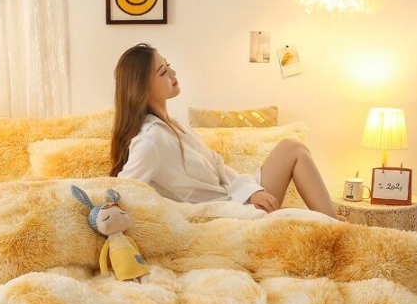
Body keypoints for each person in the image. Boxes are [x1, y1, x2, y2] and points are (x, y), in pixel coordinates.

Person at [110, 43, 345, 221]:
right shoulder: (151, 139)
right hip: (227, 213)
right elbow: (124, 192)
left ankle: (332, 222)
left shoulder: (175, 125)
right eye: (163, 72)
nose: (173, 73)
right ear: (142, 88)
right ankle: (335, 226)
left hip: (238, 196)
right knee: (294, 155)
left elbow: (218, 166)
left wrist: (252, 192)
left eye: (168, 65)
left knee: (292, 147)